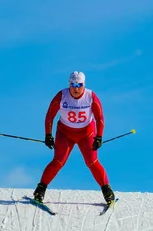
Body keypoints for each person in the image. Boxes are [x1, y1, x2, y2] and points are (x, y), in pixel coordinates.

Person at [33, 71, 115, 205]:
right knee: (58, 161)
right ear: (69, 84)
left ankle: (107, 191)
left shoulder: (91, 96)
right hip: (65, 133)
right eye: (73, 85)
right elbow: (49, 116)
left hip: (86, 134)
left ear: (84, 84)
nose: (76, 88)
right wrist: (48, 135)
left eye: (79, 85)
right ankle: (40, 189)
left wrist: (99, 136)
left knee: (92, 162)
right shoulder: (62, 96)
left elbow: (100, 118)